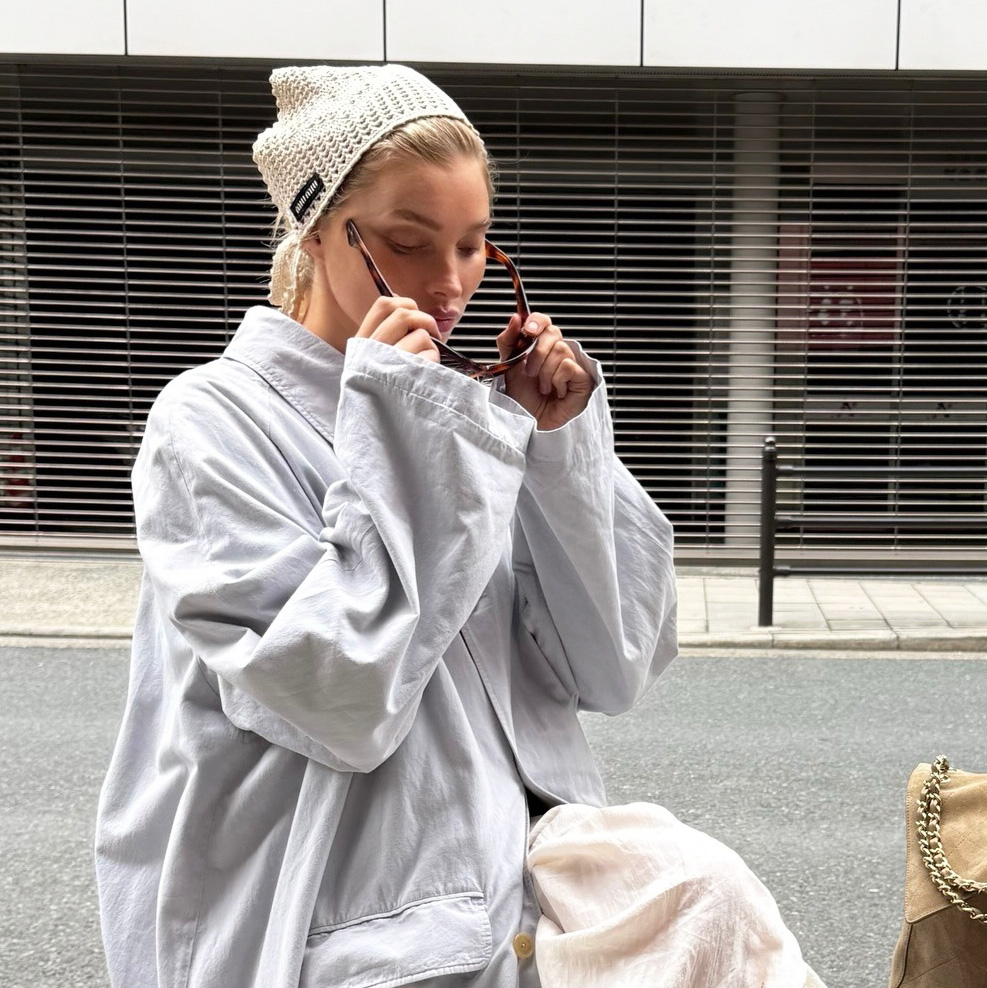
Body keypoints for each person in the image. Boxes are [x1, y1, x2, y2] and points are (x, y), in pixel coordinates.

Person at [94, 64, 821, 988]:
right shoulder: (210, 422)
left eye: (477, 247)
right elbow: (334, 697)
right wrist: (405, 437)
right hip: (322, 902)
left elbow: (613, 664)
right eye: (407, 242)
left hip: (514, 886)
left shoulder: (461, 412)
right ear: (315, 231)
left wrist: (555, 453)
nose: (450, 284)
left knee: (709, 899)